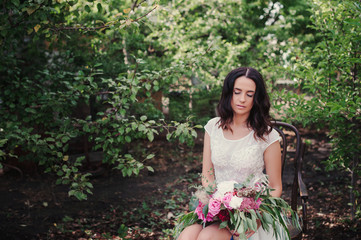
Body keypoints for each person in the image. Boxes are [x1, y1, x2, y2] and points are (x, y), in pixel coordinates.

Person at [177, 67, 283, 240]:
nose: (242, 99)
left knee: (206, 238)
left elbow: (275, 187)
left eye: (249, 94)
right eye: (237, 92)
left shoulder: (267, 135)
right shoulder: (213, 127)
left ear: (257, 98)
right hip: (217, 209)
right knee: (186, 237)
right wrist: (215, 203)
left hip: (251, 214)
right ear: (229, 93)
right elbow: (207, 176)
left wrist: (253, 218)